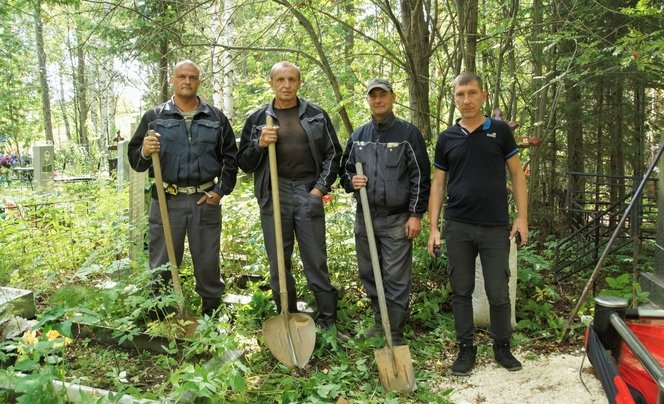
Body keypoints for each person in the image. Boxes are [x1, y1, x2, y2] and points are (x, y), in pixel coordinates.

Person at [427, 72, 528, 375]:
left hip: (496, 225)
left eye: (472, 93)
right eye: (461, 94)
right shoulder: (447, 138)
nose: (467, 100)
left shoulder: (499, 131)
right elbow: (438, 185)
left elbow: (517, 176)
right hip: (457, 225)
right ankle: (466, 348)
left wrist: (522, 218)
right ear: (455, 98)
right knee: (461, 290)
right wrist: (434, 227)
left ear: (483, 95)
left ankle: (502, 346)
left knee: (498, 290)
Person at [237, 61, 343, 334]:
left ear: (299, 82)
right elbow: (244, 163)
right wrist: (260, 145)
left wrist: (319, 189)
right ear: (271, 83)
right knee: (278, 260)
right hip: (275, 191)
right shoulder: (258, 119)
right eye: (280, 79)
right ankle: (287, 314)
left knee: (315, 258)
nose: (286, 85)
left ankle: (328, 319)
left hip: (308, 189)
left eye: (292, 79)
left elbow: (334, 154)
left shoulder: (316, 115)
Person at [127, 60, 238, 317]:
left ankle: (211, 316)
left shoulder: (216, 118)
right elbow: (136, 160)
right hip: (167, 200)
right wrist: (144, 150)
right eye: (181, 77)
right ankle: (161, 316)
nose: (187, 81)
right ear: (172, 81)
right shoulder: (155, 118)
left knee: (207, 261)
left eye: (192, 77)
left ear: (198, 81)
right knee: (162, 261)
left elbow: (231, 157)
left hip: (204, 200)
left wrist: (220, 190)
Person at [339, 78, 430, 345]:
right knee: (369, 272)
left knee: (395, 276)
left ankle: (396, 330)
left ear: (393, 97)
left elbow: (420, 176)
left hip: (397, 218)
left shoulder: (408, 135)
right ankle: (381, 323)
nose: (378, 100)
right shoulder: (358, 137)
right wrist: (351, 182)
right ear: (367, 100)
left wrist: (415, 215)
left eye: (383, 95)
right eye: (373, 96)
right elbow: (344, 172)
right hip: (365, 216)